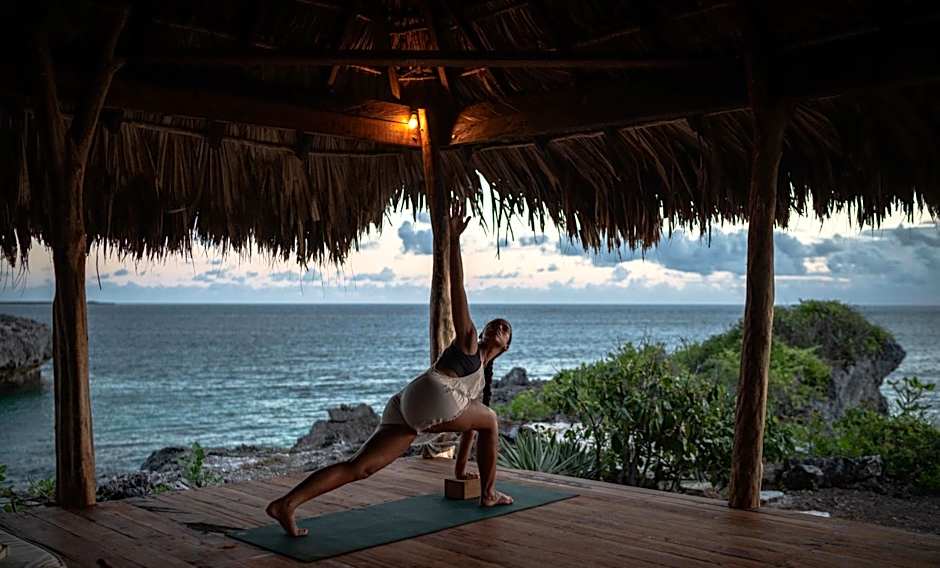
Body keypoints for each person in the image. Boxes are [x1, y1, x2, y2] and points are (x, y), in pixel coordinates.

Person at [265, 202, 514, 537]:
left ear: (506, 346)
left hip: (407, 402)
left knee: (360, 467)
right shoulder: (469, 341)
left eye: (506, 328)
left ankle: (287, 504)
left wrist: (459, 471)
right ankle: (489, 495)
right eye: (495, 324)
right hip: (435, 393)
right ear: (483, 333)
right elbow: (459, 292)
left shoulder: (479, 382)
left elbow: (471, 428)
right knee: (492, 420)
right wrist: (453, 242)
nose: (499, 326)